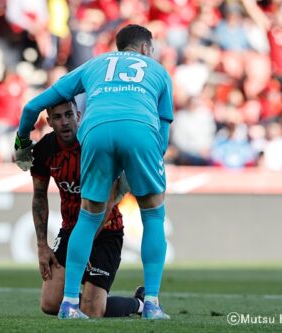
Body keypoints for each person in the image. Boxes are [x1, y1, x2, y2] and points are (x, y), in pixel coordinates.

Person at [15, 24, 173, 320]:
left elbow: (31, 107)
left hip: (95, 130)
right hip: (141, 131)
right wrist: (144, 166)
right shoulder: (158, 71)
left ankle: (69, 305)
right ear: (144, 49)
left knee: (88, 216)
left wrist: (21, 142)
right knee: (153, 214)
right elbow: (162, 137)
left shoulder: (95, 65)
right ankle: (151, 303)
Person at [30, 99, 144, 318]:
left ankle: (137, 302)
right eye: (57, 117)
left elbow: (109, 200)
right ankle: (94, 302)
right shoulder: (45, 149)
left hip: (106, 230)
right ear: (49, 121)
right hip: (70, 230)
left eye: (68, 115)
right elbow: (39, 197)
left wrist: (86, 244)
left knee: (92, 310)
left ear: (79, 116)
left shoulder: (95, 145)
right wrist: (42, 246)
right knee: (50, 303)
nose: (64, 122)